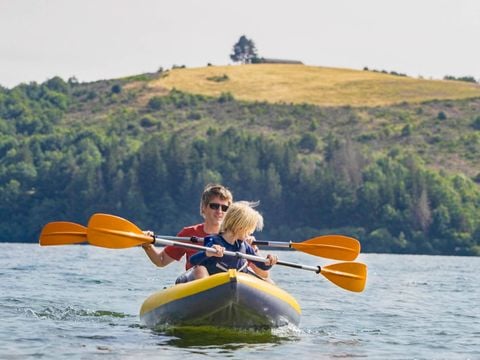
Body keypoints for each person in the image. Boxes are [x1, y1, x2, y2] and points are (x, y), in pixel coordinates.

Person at [142, 183, 233, 282]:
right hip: (194, 282)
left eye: (224, 208)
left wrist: (252, 247)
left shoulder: (236, 236)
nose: (219, 211)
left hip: (224, 285)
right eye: (214, 206)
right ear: (204, 208)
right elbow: (161, 260)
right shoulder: (189, 233)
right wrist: (147, 245)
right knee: (200, 270)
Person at [189, 201, 278, 280]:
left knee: (267, 280)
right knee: (200, 269)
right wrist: (208, 253)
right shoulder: (214, 241)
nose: (251, 233)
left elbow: (262, 265)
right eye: (249, 229)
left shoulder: (244, 245)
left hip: (234, 284)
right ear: (239, 227)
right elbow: (192, 260)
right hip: (213, 282)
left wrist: (269, 261)